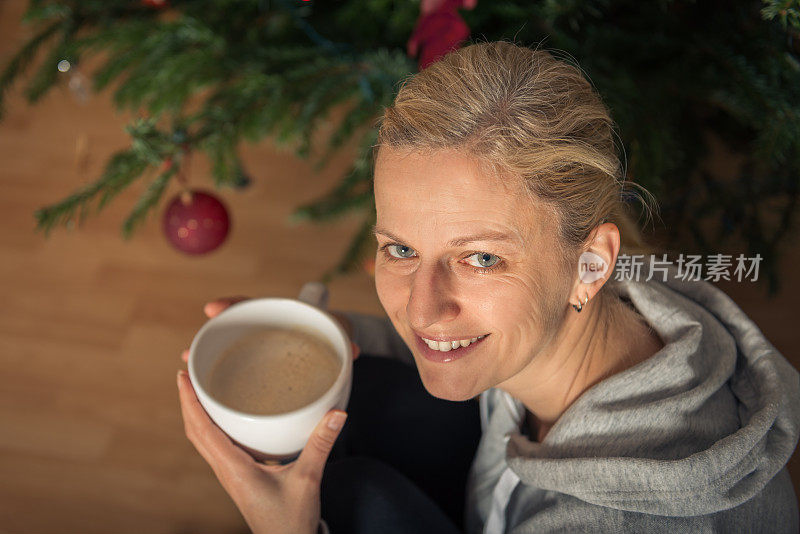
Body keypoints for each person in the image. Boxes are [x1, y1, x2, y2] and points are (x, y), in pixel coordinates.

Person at [176, 40, 800, 533]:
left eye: (479, 259)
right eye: (401, 249)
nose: (421, 310)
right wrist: (323, 339)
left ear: (591, 262)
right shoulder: (615, 304)